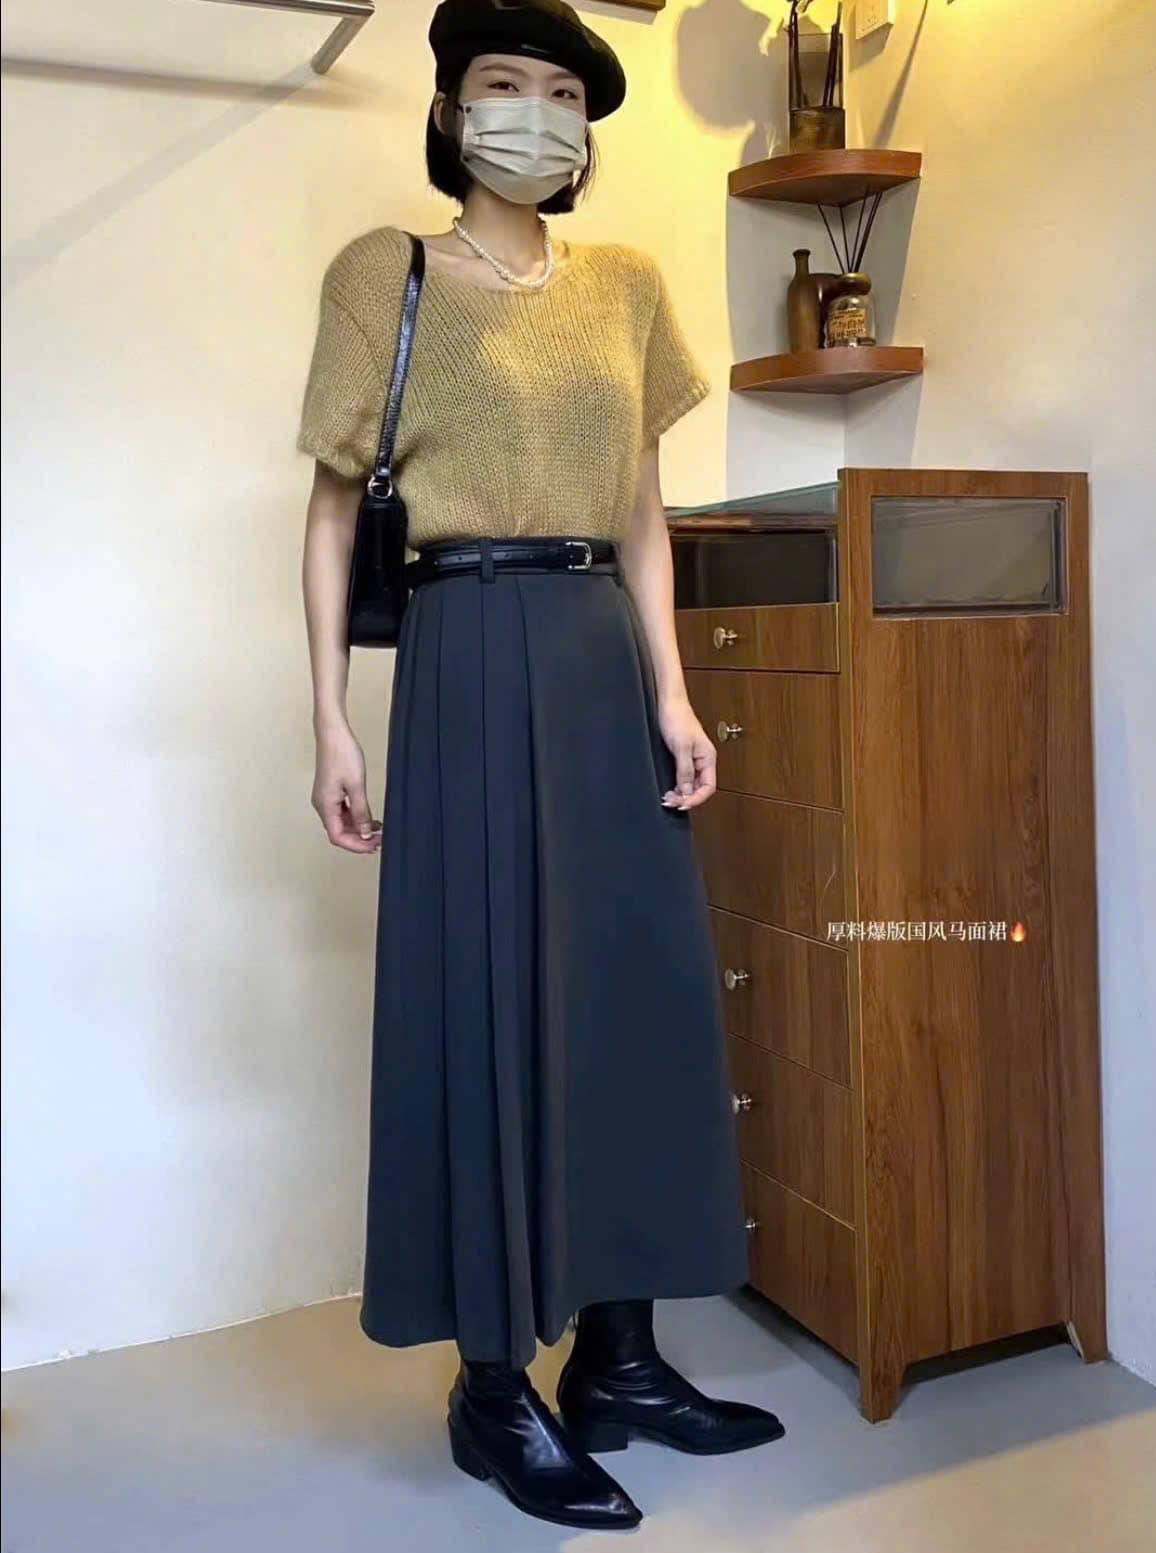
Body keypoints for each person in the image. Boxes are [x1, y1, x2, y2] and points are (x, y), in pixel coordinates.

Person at [296, 0, 784, 1529]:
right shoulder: (389, 274)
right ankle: (494, 1385)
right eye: (503, 84)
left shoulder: (626, 288)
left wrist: (676, 696)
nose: (534, 112)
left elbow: (641, 509)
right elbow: (332, 509)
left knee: (629, 992)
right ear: (452, 110)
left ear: (586, 129)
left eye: (562, 91)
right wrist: (330, 716)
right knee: (484, 996)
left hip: (596, 654)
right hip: (465, 646)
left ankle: (621, 1363)